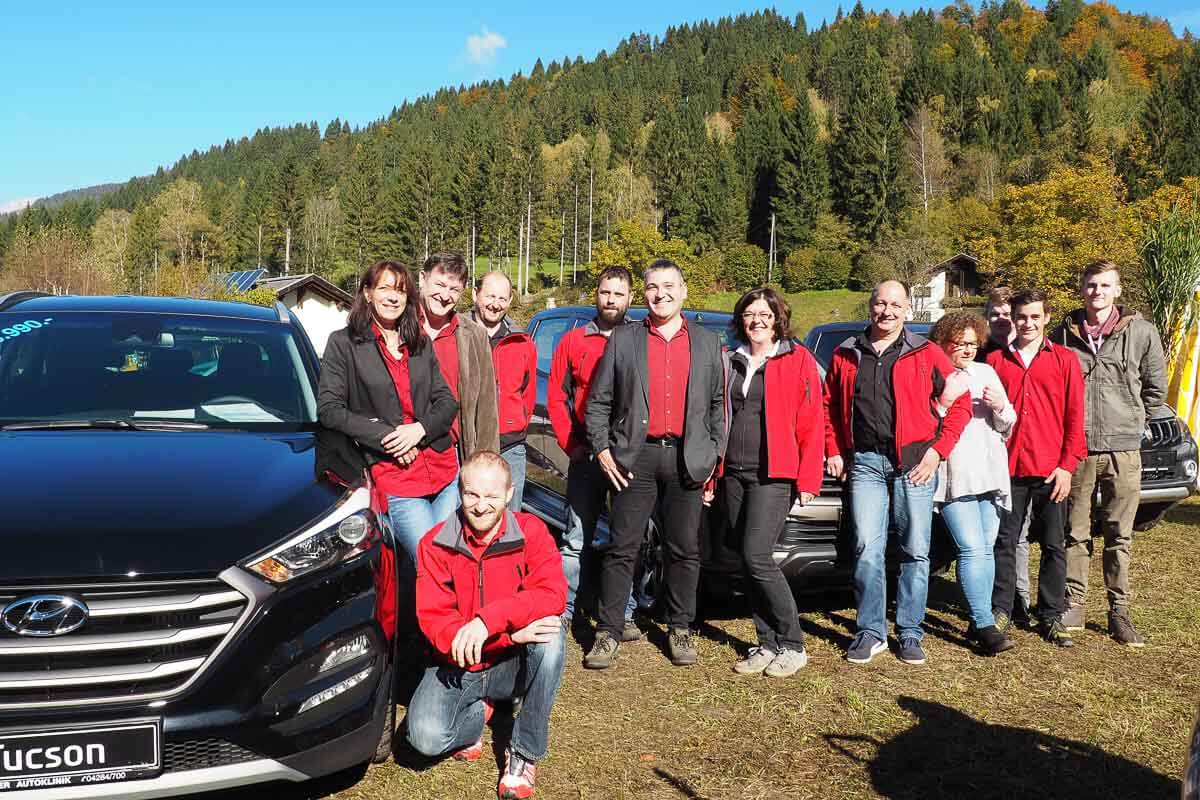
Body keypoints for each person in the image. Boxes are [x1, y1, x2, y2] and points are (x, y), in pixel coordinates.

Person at [582, 259, 726, 669]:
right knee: (622, 547)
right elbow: (598, 402)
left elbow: (718, 406)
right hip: (635, 457)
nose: (660, 294)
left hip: (686, 458)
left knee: (684, 549)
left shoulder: (707, 342)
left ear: (683, 290)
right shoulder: (624, 339)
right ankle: (608, 631)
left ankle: (680, 626)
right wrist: (603, 449)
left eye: (668, 286)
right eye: (652, 287)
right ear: (643, 293)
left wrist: (713, 454)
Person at [823, 280, 971, 666]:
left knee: (915, 551)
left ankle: (909, 631)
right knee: (866, 549)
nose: (886, 311)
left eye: (894, 304)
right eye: (880, 303)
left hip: (915, 466)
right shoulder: (846, 353)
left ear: (907, 309)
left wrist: (937, 452)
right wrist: (834, 449)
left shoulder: (926, 352)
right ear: (870, 306)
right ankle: (871, 631)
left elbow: (961, 404)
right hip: (866, 464)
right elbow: (828, 406)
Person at [407, 451, 567, 800]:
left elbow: (553, 593)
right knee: (425, 739)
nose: (481, 506)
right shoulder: (433, 544)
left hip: (513, 664)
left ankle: (523, 753)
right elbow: (435, 621)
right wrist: (508, 635)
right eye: (472, 495)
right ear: (460, 492)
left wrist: (488, 622)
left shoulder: (532, 531)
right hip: (458, 663)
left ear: (509, 493)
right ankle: (480, 711)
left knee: (551, 636)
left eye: (492, 496)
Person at [1053, 261, 1167, 646]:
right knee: (1075, 532)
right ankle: (1074, 603)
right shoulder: (1063, 334)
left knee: (1120, 534)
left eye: (1105, 285)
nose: (1097, 292)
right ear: (1081, 289)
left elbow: (1155, 388)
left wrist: (1133, 421)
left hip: (1124, 449)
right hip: (1079, 448)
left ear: (1118, 290)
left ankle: (1119, 610)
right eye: (1091, 285)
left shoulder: (1141, 332)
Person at [317, 260, 460, 559]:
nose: (393, 297)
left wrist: (419, 431)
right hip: (396, 475)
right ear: (368, 293)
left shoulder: (419, 342)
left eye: (401, 291)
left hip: (444, 470)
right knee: (430, 561)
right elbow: (330, 410)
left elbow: (447, 402)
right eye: (385, 288)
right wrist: (390, 437)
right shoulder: (344, 344)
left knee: (451, 560)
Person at [717, 288, 824, 678]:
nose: (757, 321)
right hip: (733, 472)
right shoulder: (730, 358)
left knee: (757, 556)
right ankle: (767, 642)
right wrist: (714, 473)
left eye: (765, 314)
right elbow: (718, 415)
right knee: (744, 560)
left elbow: (812, 421)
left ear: (779, 319)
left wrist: (808, 478)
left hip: (773, 474)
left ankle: (793, 644)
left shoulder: (797, 359)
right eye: (749, 314)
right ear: (740, 320)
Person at [987, 289, 1086, 648]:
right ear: (1012, 318)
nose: (1027, 323)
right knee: (1004, 541)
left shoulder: (1064, 360)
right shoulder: (995, 361)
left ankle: (1051, 615)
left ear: (1046, 318)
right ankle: (1002, 608)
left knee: (1053, 543)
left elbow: (1075, 417)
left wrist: (1067, 466)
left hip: (1050, 469)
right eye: (1021, 317)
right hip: (1008, 468)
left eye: (1034, 317)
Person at [546, 266, 640, 639]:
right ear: (596, 294)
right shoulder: (573, 341)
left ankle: (624, 611)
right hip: (586, 454)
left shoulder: (640, 340)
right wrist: (571, 444)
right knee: (575, 538)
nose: (611, 300)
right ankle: (565, 609)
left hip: (628, 455)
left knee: (626, 538)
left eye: (618, 293)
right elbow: (557, 396)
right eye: (605, 292)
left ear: (630, 297)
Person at [929, 312, 1017, 655]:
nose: (967, 350)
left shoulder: (986, 372)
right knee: (971, 548)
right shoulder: (933, 372)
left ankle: (979, 618)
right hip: (955, 471)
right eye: (959, 343)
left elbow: (1007, 424)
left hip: (990, 470)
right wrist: (944, 402)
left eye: (972, 343)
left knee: (986, 547)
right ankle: (984, 624)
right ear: (943, 342)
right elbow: (924, 423)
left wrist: (1000, 407)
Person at [981, 286, 1034, 626]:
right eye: (994, 314)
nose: (1001, 319)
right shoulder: (980, 355)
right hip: (987, 454)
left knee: (1018, 533)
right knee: (994, 532)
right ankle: (992, 597)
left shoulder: (1027, 353)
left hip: (1021, 455)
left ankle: (1019, 597)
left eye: (1005, 313)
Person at [419, 251, 500, 458]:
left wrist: (485, 461)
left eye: (454, 289)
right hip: (401, 454)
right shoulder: (398, 326)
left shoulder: (474, 336)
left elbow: (486, 408)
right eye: (439, 285)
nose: (445, 296)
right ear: (422, 279)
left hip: (453, 454)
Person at [471, 271, 538, 512]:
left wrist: (515, 422)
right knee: (467, 515)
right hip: (466, 445)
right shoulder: (458, 335)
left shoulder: (522, 342)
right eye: (490, 296)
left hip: (510, 445)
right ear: (475, 294)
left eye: (502, 298)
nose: (495, 304)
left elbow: (528, 394)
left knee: (510, 517)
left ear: (509, 301)